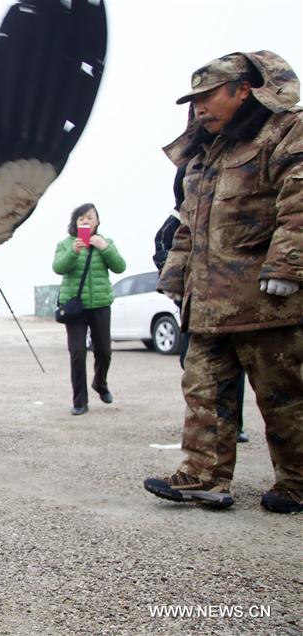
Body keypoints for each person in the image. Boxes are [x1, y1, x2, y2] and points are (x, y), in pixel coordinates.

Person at [144, 51, 303, 514]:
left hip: (266, 298)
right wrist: (175, 278)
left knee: (285, 396)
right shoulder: (205, 152)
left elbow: (299, 203)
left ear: (243, 89)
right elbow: (188, 224)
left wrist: (287, 268)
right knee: (202, 391)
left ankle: (296, 481)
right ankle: (204, 477)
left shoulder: (285, 132)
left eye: (206, 97)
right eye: (192, 102)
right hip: (210, 301)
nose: (198, 109)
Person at [154, 169, 248, 443]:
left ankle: (233, 425)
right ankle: (208, 432)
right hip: (196, 304)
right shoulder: (177, 221)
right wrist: (176, 284)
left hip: (235, 300)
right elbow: (164, 249)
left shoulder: (231, 210)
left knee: (236, 364)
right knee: (194, 363)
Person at [52, 203, 126, 416]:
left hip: (101, 304)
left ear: (97, 222)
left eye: (90, 217)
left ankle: (100, 383)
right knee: (77, 353)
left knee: (104, 350)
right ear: (75, 223)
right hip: (75, 307)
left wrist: (105, 248)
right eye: (81, 218)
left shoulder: (106, 243)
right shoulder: (66, 244)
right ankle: (80, 401)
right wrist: (74, 252)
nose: (85, 221)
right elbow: (58, 268)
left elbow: (120, 266)